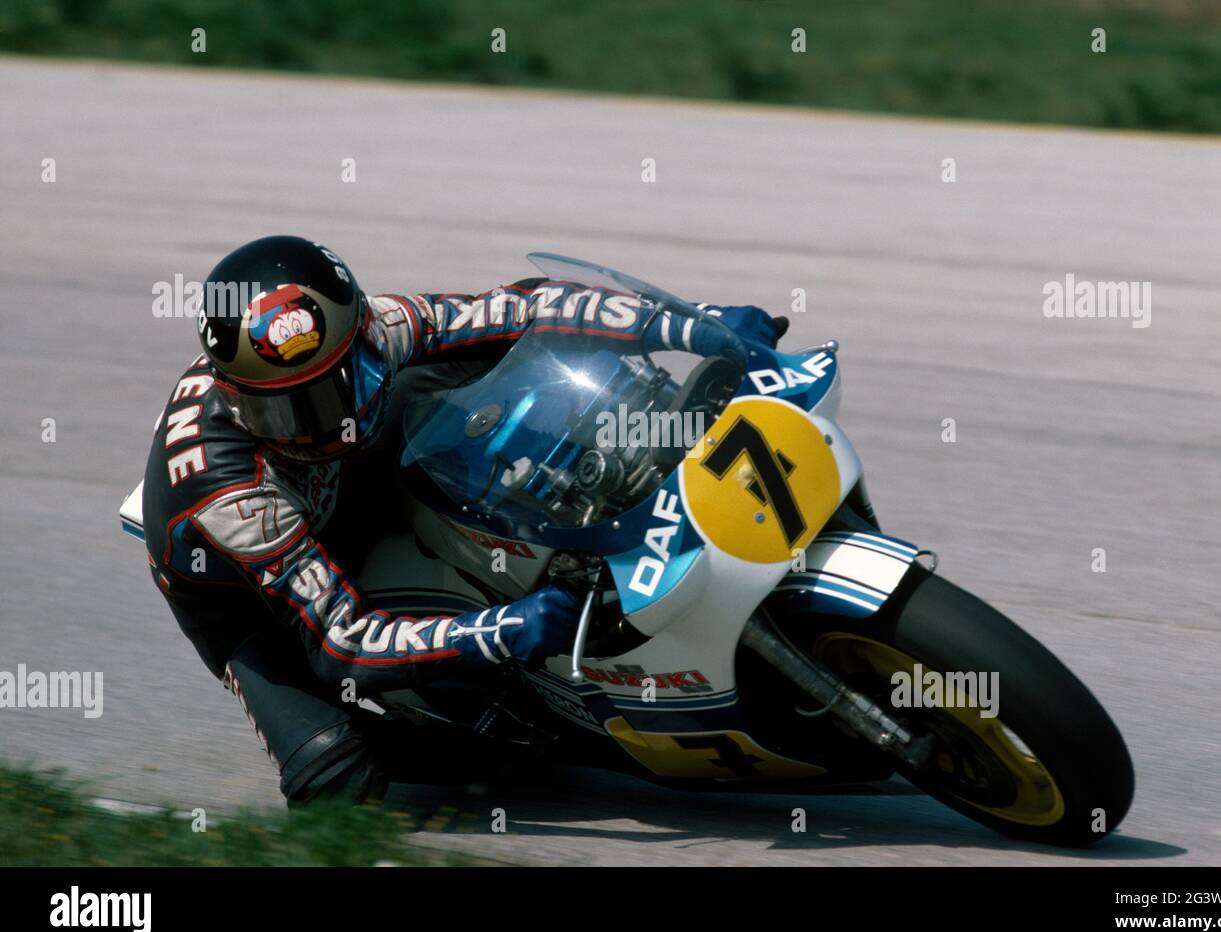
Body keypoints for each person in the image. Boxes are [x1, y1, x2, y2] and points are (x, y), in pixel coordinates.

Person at [142, 235, 781, 804]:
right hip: (250, 596)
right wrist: (499, 631)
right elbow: (344, 642)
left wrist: (694, 324)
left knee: (489, 364)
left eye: (338, 387)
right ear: (240, 403)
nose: (321, 427)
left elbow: (528, 309)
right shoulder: (231, 496)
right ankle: (455, 729)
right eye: (290, 413)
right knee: (334, 776)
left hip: (362, 471)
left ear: (361, 333)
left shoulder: (381, 325)